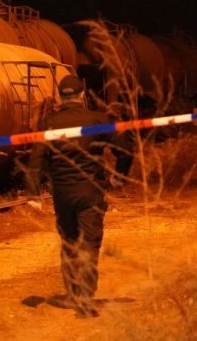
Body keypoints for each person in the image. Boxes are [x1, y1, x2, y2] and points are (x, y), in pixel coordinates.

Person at [25, 74, 130, 318]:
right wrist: (119, 176)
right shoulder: (97, 120)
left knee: (70, 241)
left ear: (61, 97)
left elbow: (36, 159)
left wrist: (33, 192)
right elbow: (125, 148)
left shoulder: (49, 123)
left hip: (63, 194)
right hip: (91, 192)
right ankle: (84, 297)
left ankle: (73, 291)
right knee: (90, 243)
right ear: (82, 94)